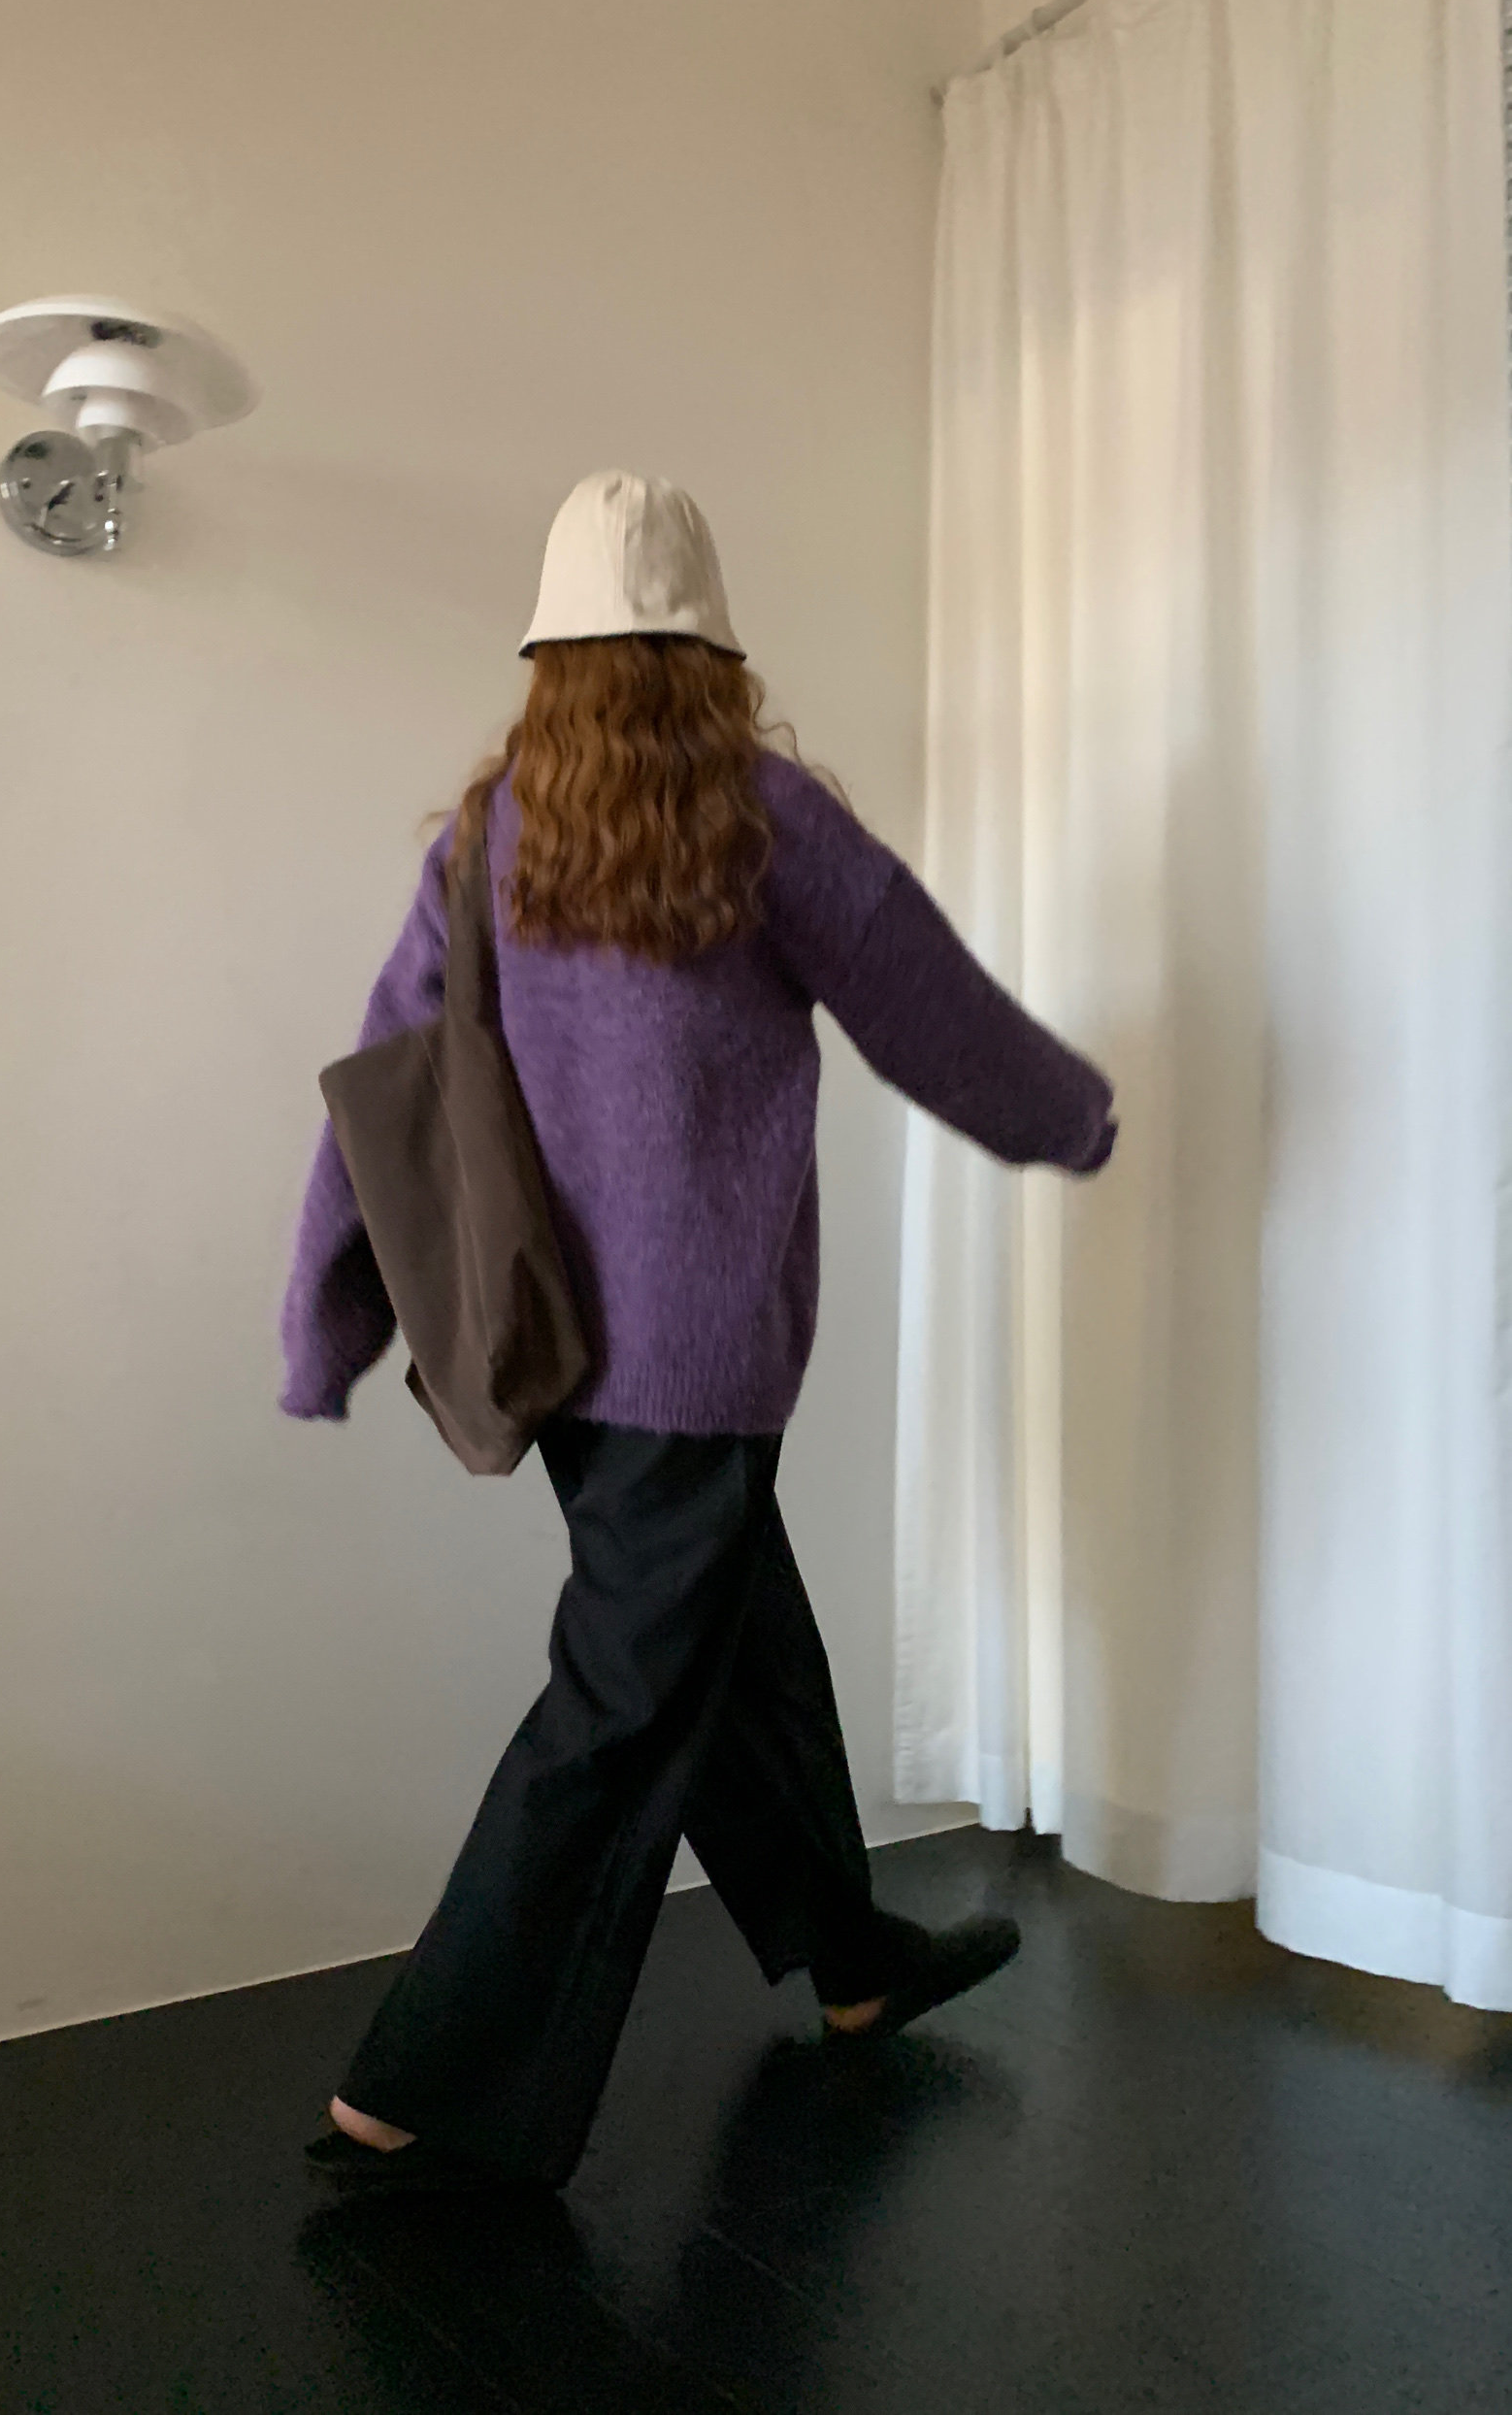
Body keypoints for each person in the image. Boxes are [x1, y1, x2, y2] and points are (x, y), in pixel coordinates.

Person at [280, 472, 1116, 2195]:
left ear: (548, 656)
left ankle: (855, 1962)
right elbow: (930, 1004)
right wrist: (1073, 1116)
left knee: (737, 1649)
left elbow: (381, 1086)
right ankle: (421, 2082)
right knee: (618, 1714)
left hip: (550, 1351)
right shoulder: (761, 819)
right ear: (714, 652)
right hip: (702, 1357)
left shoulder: (486, 835)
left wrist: (326, 1318)